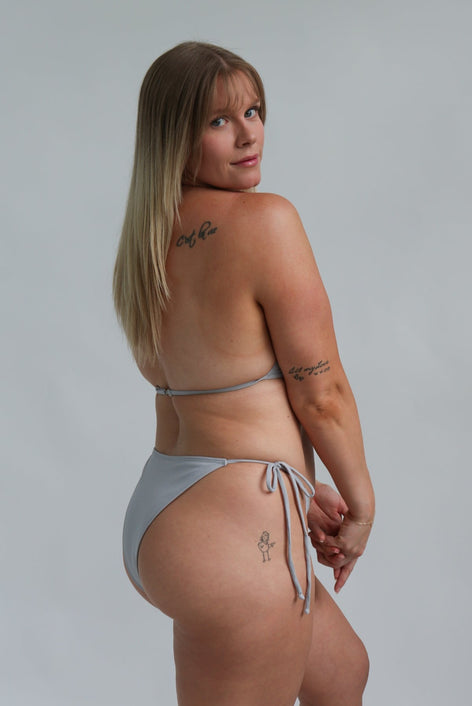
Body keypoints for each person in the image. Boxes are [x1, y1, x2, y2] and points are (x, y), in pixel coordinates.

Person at [113, 41, 375, 706]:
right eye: (218, 121)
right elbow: (322, 395)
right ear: (176, 137)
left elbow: (199, 402)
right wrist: (360, 502)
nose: (248, 133)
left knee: (342, 673)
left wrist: (299, 488)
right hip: (232, 539)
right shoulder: (265, 221)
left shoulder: (150, 238)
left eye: (253, 111)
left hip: (174, 514)